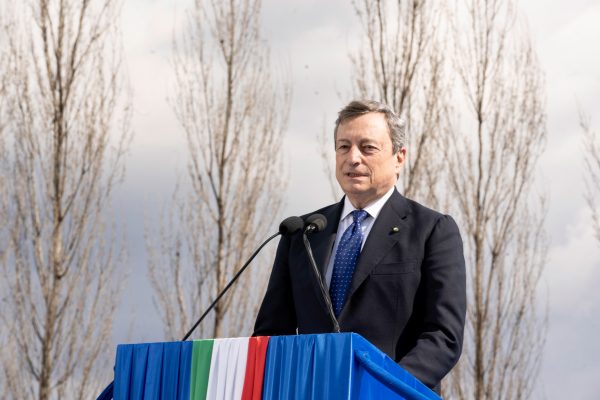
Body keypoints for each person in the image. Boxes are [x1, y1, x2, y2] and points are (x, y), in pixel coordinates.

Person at [253, 99, 466, 392]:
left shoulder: (432, 231)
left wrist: (383, 388)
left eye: (367, 148)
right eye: (344, 147)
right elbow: (272, 335)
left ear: (399, 157)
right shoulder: (301, 234)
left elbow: (443, 336)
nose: (353, 158)